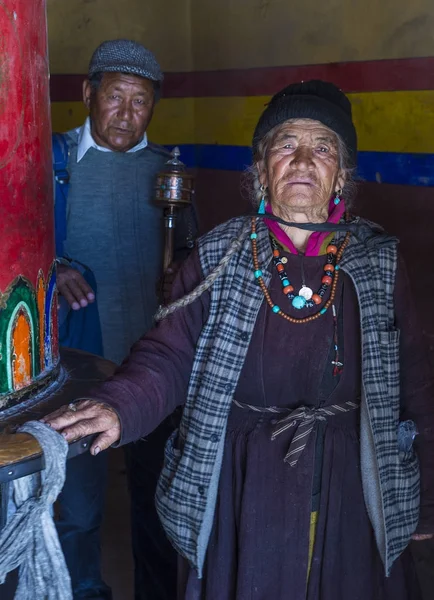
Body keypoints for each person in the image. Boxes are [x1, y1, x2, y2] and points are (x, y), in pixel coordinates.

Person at [46, 80, 434, 599]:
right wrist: (119, 406)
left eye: (322, 148)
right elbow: (168, 353)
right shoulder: (221, 254)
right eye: (285, 145)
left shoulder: (378, 262)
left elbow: (416, 381)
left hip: (351, 479)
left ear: (340, 175)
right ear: (260, 170)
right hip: (245, 478)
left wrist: (426, 496)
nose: (301, 160)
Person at [54, 39, 194, 600]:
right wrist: (54, 266)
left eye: (141, 103)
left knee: (157, 507)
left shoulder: (169, 174)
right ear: (88, 94)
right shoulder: (51, 164)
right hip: (78, 370)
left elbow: (191, 259)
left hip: (151, 368)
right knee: (78, 511)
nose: (127, 114)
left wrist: (183, 270)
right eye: (115, 97)